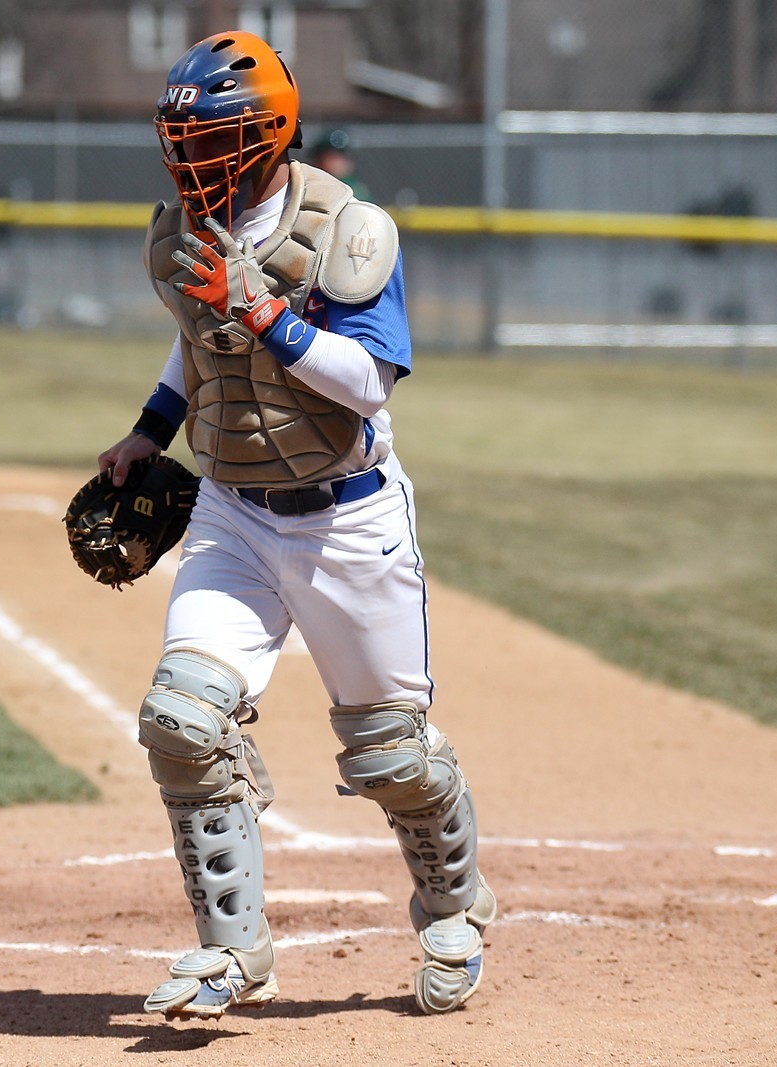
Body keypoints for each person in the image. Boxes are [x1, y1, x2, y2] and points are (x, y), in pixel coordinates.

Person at [99, 30, 496, 1019]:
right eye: (180, 140)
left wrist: (269, 314)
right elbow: (194, 348)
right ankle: (233, 952)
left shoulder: (343, 232)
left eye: (210, 137)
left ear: (265, 133)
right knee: (182, 722)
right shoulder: (186, 230)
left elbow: (368, 382)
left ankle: (454, 905)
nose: (190, 160)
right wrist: (151, 432)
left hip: (347, 520)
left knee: (390, 753)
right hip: (233, 510)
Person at [310, 126, 371, 200]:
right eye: (332, 158)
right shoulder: (312, 184)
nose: (338, 163)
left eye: (341, 157)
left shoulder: (355, 188)